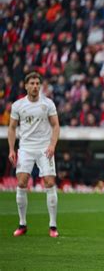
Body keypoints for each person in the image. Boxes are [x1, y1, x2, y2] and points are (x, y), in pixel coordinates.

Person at [8, 72, 60, 237]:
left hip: (45, 147)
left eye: (38, 83)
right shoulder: (18, 105)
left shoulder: (47, 103)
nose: (35, 86)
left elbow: (56, 125)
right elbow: (12, 128)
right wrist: (11, 149)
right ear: (26, 86)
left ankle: (53, 226)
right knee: (22, 182)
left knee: (49, 182)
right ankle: (22, 224)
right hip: (26, 148)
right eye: (32, 83)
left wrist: (52, 144)